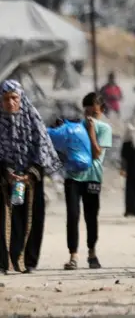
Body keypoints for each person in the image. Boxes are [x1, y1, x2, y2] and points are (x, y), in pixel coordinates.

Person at [0, 80, 62, 274]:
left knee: (31, 219)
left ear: (21, 99)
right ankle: (4, 262)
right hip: (4, 180)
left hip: (30, 180)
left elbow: (43, 150)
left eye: (14, 98)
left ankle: (29, 261)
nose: (10, 103)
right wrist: (6, 172)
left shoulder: (33, 120)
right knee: (5, 220)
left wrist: (29, 174)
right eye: (6, 99)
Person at [63, 92, 113, 270]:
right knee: (73, 215)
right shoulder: (76, 127)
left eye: (95, 113)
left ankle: (92, 252)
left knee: (91, 217)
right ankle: (73, 255)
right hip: (73, 176)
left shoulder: (104, 128)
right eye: (87, 112)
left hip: (93, 177)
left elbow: (97, 153)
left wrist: (91, 132)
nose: (90, 116)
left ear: (101, 111)